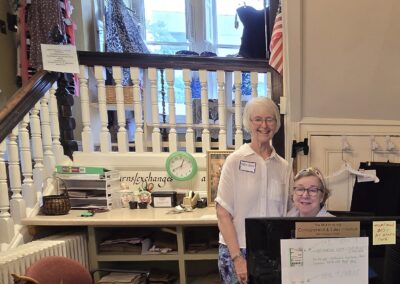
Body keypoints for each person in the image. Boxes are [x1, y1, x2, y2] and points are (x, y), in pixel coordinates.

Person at [215, 97, 291, 284]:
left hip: (271, 252)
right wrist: (238, 259)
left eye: (270, 119)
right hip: (238, 251)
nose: (264, 125)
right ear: (248, 123)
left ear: (276, 124)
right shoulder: (235, 161)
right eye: (258, 119)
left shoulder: (284, 167)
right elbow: (222, 213)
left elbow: (288, 213)